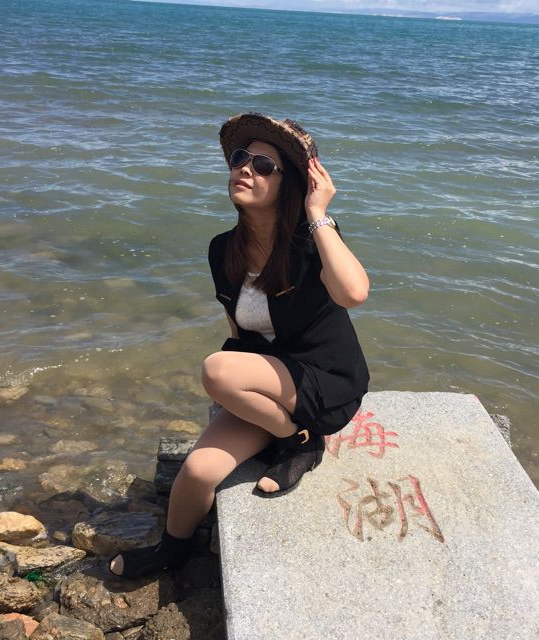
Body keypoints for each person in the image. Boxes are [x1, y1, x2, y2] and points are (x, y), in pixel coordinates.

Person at [109, 113, 369, 579]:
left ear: (291, 183)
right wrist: (240, 397)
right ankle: (173, 551)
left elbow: (353, 293)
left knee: (218, 370)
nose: (245, 168)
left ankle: (299, 439)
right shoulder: (222, 249)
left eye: (263, 165)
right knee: (198, 472)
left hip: (323, 382)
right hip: (265, 384)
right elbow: (239, 328)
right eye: (239, 158)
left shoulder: (312, 243)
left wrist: (317, 213)